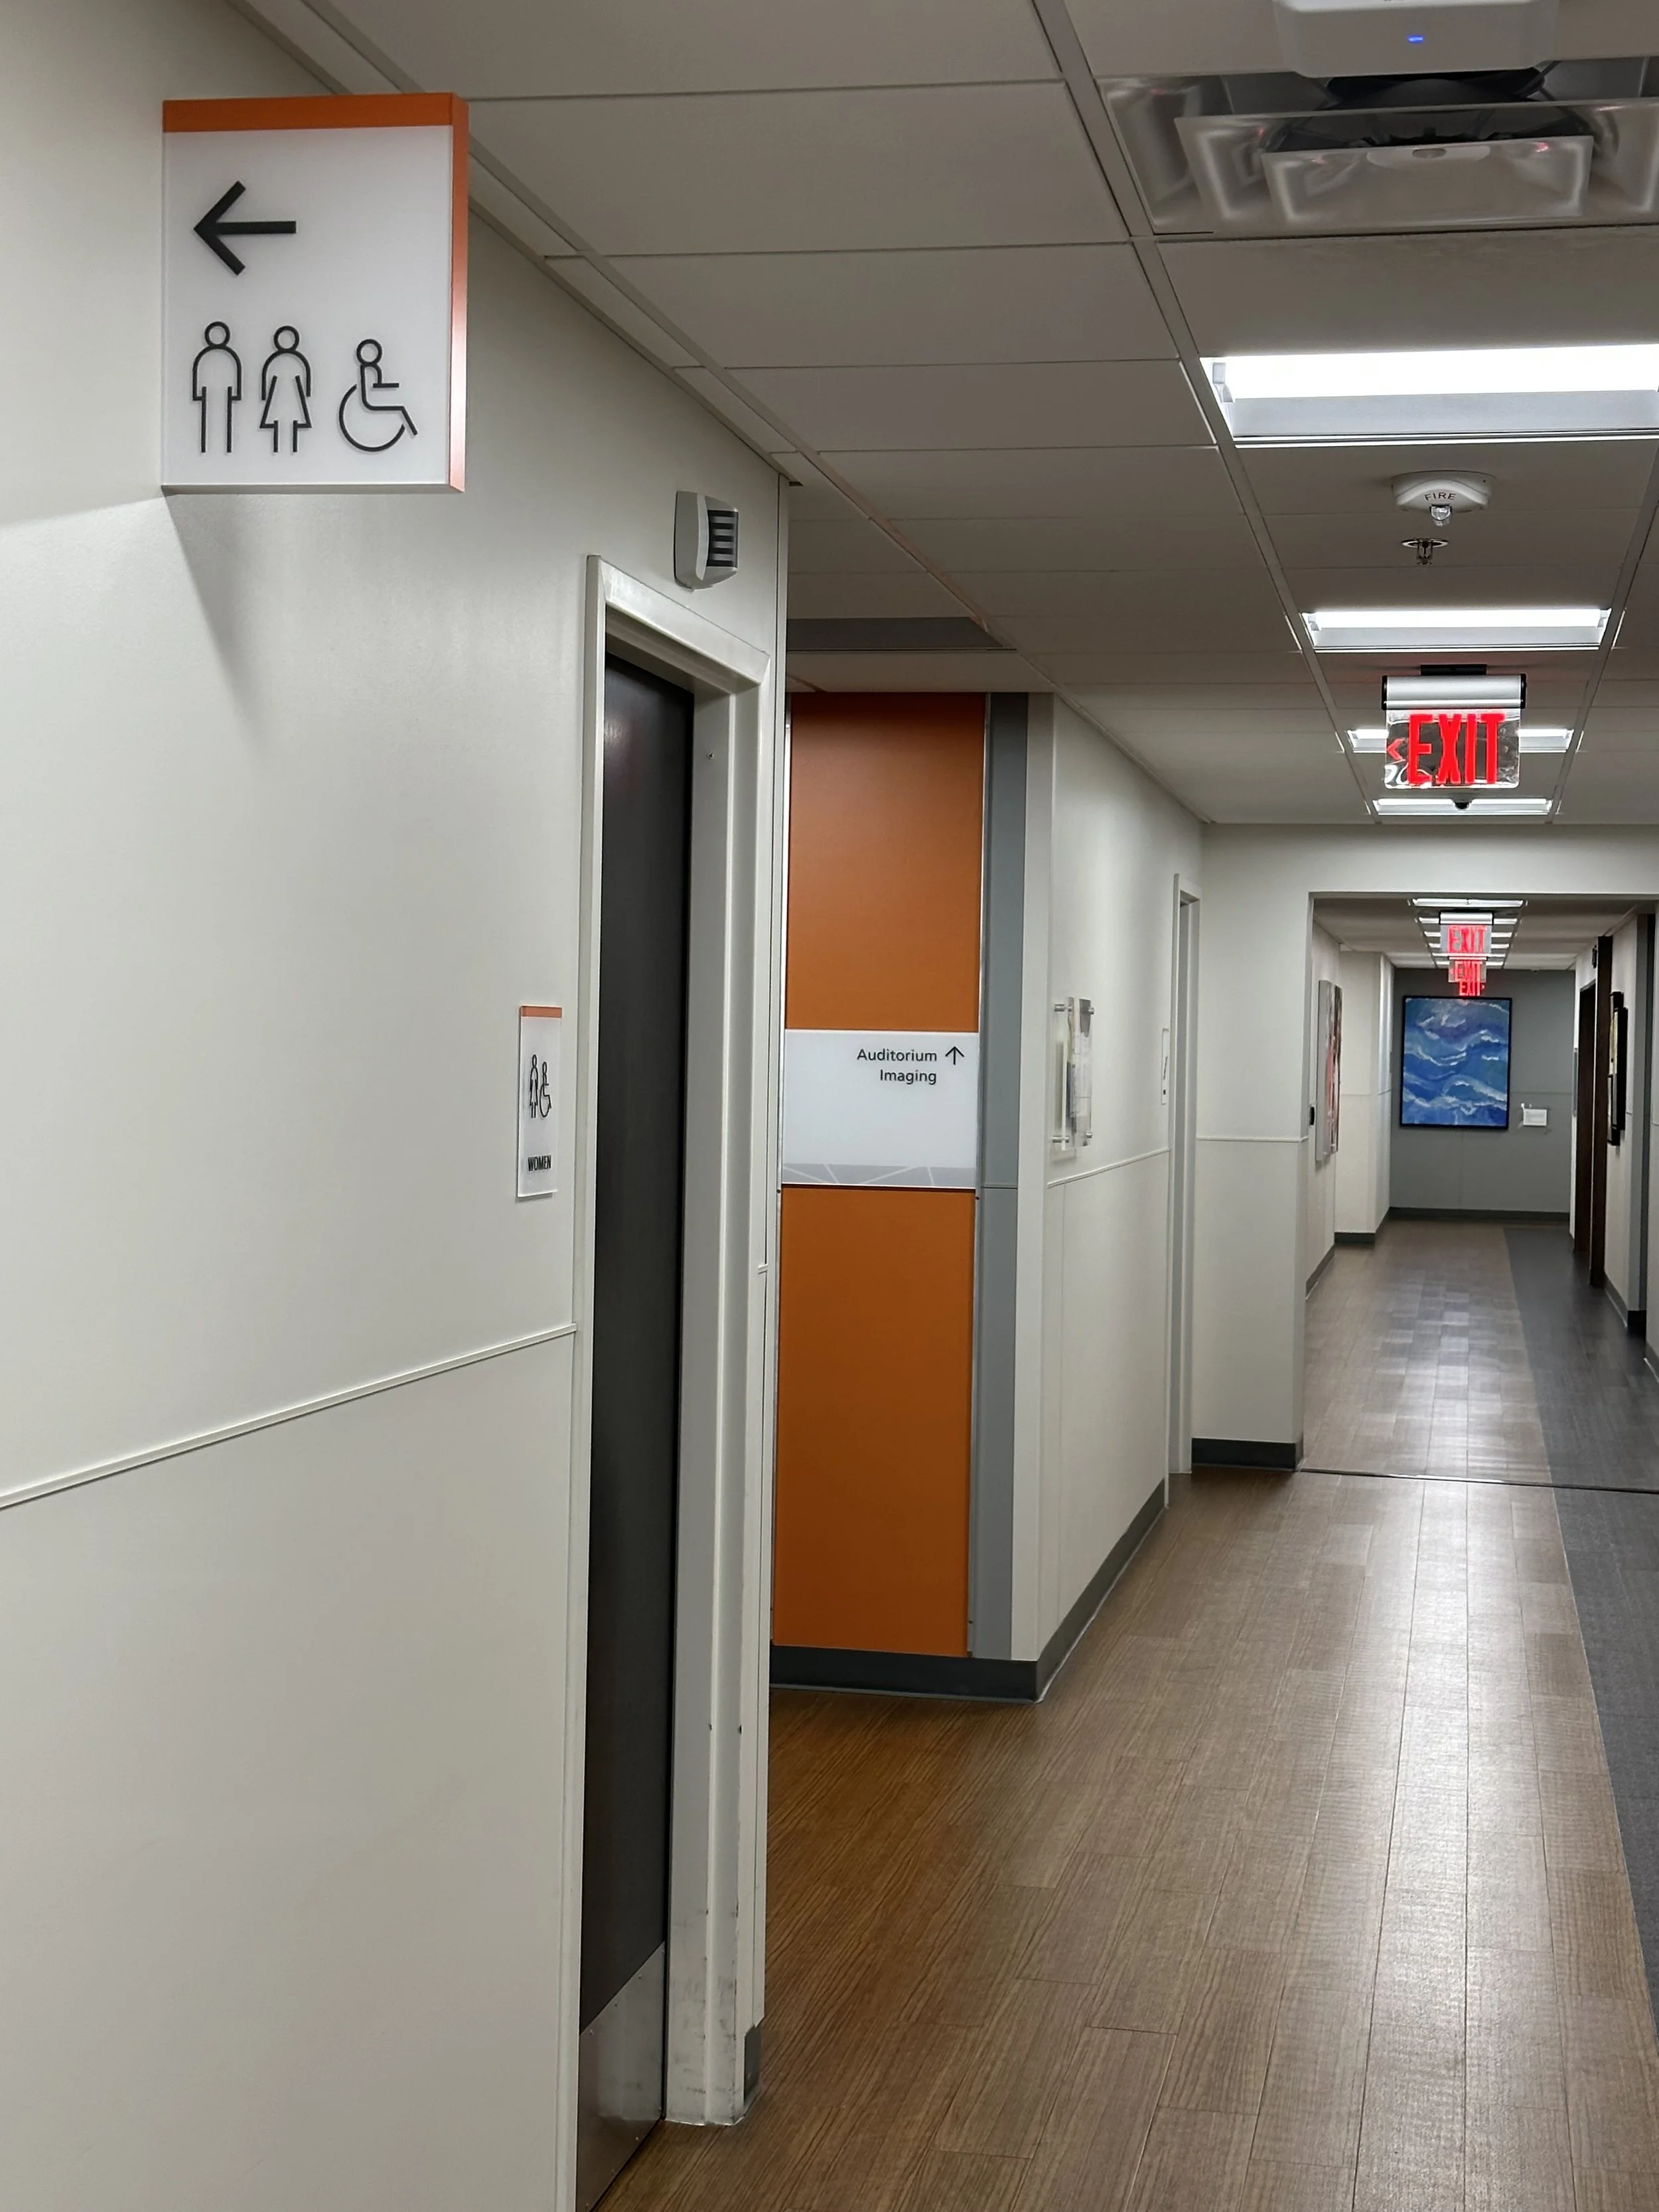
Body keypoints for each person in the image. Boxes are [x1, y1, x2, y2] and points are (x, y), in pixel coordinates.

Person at [338, 339, 417, 452]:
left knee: (398, 409)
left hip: (372, 392)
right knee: (397, 409)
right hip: (369, 396)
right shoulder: (367, 374)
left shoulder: (371, 372)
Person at [258, 327, 312, 455]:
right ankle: (280, 444)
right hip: (278, 389)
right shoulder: (276, 363)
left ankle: (287, 444)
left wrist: (306, 390)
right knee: (278, 421)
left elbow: (306, 381)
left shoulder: (290, 364)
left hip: (291, 392)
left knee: (293, 421)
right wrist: (265, 393)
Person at [191, 323, 241, 455]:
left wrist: (235, 394)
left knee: (225, 422)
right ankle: (210, 446)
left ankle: (222, 446)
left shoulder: (210, 357)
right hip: (211, 392)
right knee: (210, 421)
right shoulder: (207, 357)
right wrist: (198, 394)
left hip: (223, 392)